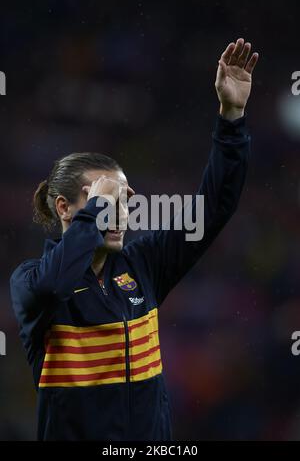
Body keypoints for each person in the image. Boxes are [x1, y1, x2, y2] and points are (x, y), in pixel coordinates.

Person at [10, 38, 258, 441]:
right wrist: (97, 210)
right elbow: (58, 283)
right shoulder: (31, 282)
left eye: (124, 200)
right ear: (64, 208)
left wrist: (232, 118)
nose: (120, 211)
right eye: (105, 199)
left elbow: (213, 210)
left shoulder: (142, 264)